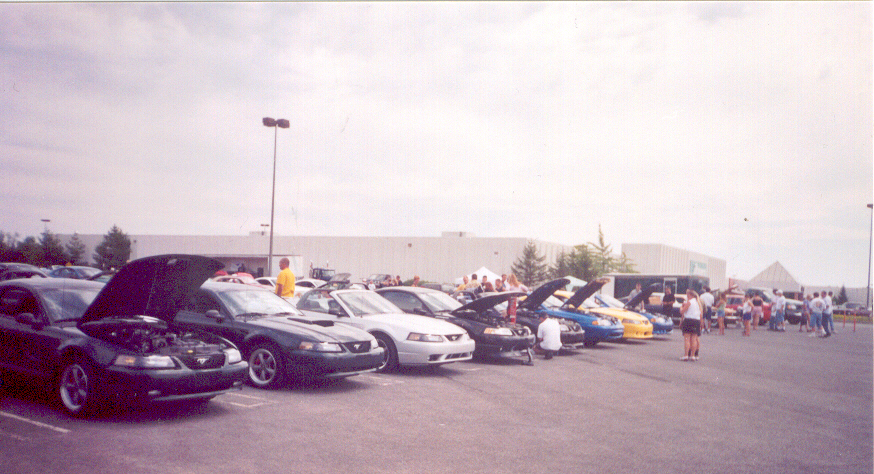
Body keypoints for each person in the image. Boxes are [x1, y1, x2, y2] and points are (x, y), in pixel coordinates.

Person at [679, 289, 703, 361]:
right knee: (694, 339)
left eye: (687, 295)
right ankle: (693, 355)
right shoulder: (698, 303)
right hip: (696, 321)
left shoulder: (689, 302)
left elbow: (682, 311)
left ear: (690, 295)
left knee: (687, 339)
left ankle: (686, 355)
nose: (687, 296)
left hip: (689, 320)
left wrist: (681, 307)